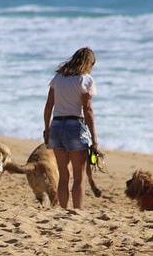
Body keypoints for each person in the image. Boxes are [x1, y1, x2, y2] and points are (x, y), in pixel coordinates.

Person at [43, 47, 98, 209]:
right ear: (88, 63)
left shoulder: (58, 78)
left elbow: (48, 107)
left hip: (57, 126)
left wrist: (47, 129)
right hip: (75, 127)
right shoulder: (85, 80)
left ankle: (63, 210)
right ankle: (77, 212)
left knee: (63, 175)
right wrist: (95, 139)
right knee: (79, 177)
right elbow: (88, 110)